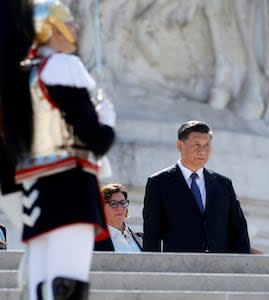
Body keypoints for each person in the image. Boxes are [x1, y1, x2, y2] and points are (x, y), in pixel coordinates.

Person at [1, 0, 116, 298]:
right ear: (52, 29)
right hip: (70, 185)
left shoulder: (27, 74)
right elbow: (95, 138)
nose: (75, 27)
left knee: (41, 283)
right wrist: (107, 121)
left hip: (37, 187)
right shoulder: (65, 65)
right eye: (68, 21)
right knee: (68, 281)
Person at [143, 120, 251, 253]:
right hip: (179, 267)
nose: (202, 151)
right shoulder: (159, 183)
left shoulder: (223, 184)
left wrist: (242, 264)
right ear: (180, 145)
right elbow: (151, 233)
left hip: (219, 267)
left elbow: (238, 229)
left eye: (207, 145)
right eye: (197, 145)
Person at [95, 183, 143, 252]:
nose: (120, 208)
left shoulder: (142, 238)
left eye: (123, 202)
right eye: (113, 203)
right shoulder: (94, 241)